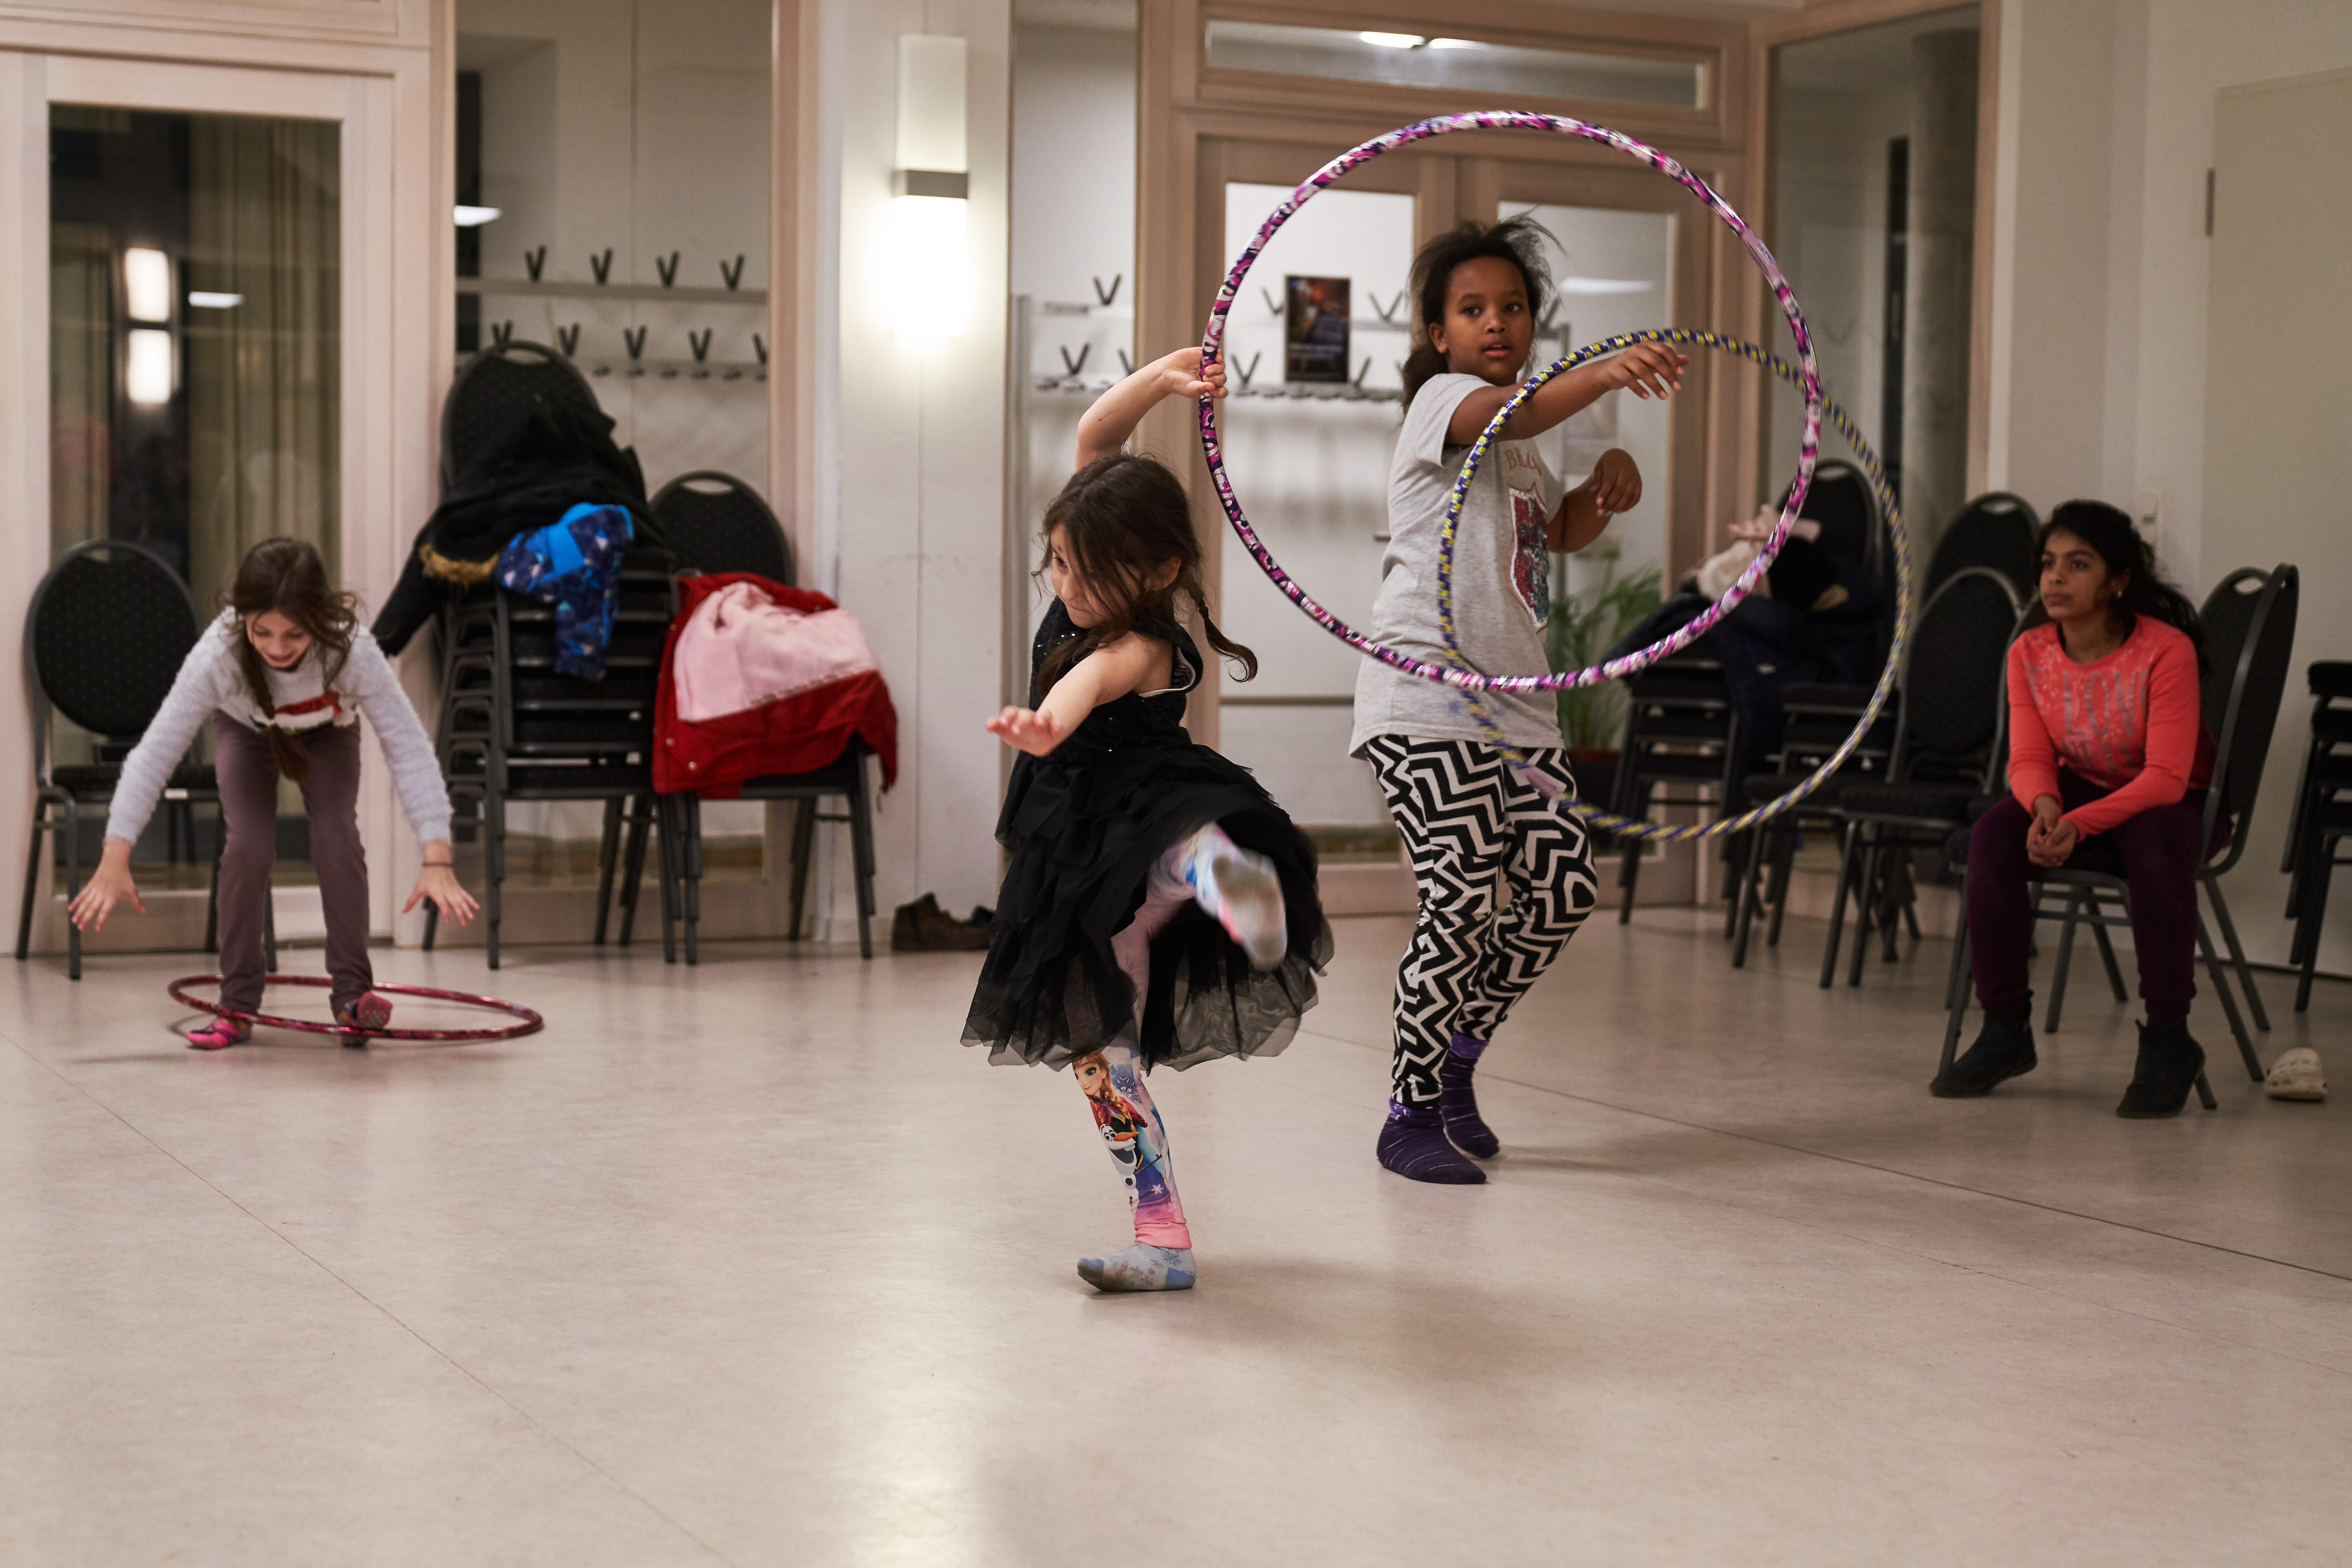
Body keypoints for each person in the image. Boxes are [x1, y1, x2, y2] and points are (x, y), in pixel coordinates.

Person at [964, 348, 1330, 1294]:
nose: (1067, 587)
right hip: (1080, 862)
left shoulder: (1135, 642)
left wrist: (1045, 725)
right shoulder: (1088, 579)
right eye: (1058, 564)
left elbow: (1085, 682)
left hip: (1138, 811)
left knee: (1177, 848)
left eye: (1089, 573)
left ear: (1159, 568)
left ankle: (1226, 882)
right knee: (1100, 1047)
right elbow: (1096, 434)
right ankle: (1161, 1234)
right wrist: (1161, 381)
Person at [1354, 216, 1685, 1183]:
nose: (1496, 320)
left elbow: (1547, 542)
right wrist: (1611, 368)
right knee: (1459, 901)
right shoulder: (1442, 402)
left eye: (1513, 305)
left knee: (1563, 887)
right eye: (1472, 309)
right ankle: (1408, 1112)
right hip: (1426, 697)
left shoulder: (1533, 437)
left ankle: (1456, 1063)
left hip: (1517, 709)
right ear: (1437, 330)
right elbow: (1521, 414)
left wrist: (1602, 491)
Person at [67, 537, 478, 1045]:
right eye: (262, 632)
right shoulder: (218, 655)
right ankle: (237, 1005)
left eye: (294, 633)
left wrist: (436, 856)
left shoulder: (351, 651)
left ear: (320, 620)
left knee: (336, 837)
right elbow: (155, 753)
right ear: (242, 617)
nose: (278, 648)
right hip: (247, 731)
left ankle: (354, 998)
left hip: (328, 733)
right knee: (248, 846)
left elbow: (409, 747)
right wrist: (115, 855)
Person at [1933, 501, 2220, 1117]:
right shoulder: (2029, 653)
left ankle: (2170, 1038)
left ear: (2119, 580)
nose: (2056, 579)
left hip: (2174, 799)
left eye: (2078, 564)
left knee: (2155, 841)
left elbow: (2167, 780)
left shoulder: (2166, 651)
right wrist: (2043, 810)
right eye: (2049, 564)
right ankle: (2005, 1030)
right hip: (2081, 787)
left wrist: (2076, 824)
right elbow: (2030, 757)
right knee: (1993, 835)